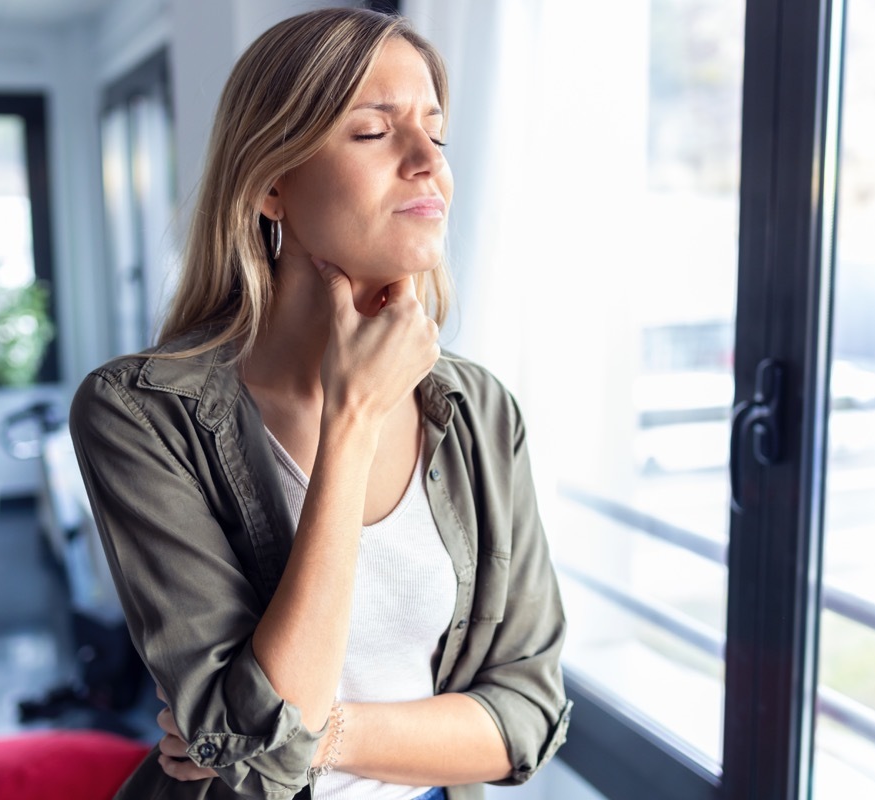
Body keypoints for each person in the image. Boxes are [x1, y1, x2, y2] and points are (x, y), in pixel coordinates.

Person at [69, 8, 570, 800]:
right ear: (271, 183)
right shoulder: (138, 413)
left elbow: (528, 716)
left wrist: (322, 730)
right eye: (373, 133)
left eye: (435, 134)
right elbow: (253, 768)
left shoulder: (478, 410)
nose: (427, 164)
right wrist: (355, 419)